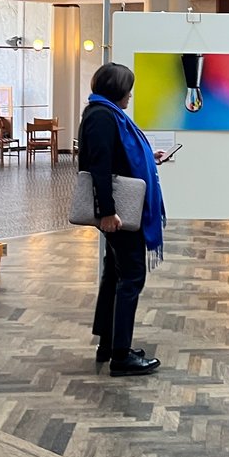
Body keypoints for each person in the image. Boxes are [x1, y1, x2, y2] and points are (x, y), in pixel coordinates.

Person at [79, 63, 168, 377]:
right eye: (128, 87)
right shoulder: (102, 117)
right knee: (131, 277)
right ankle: (121, 356)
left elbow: (117, 157)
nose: (130, 93)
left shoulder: (103, 113)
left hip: (119, 210)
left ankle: (108, 344)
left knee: (115, 276)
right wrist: (107, 212)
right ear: (117, 90)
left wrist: (150, 158)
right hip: (119, 213)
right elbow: (99, 167)